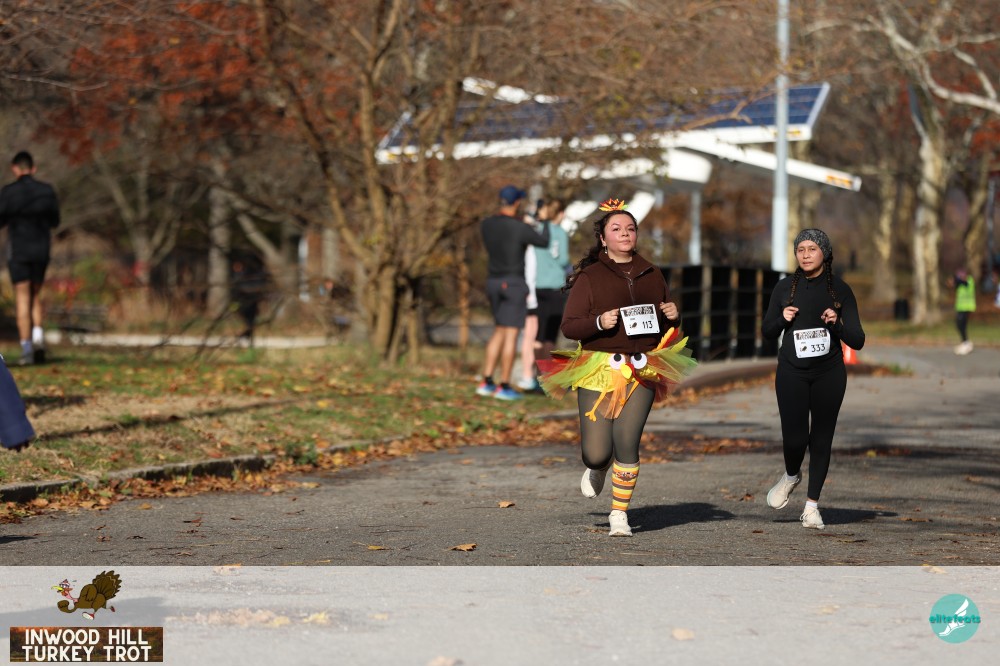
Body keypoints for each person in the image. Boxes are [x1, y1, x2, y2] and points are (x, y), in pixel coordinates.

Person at [537, 198, 696, 537]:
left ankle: (619, 513)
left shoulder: (652, 273)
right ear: (603, 238)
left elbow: (664, 327)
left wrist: (673, 316)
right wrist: (599, 322)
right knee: (596, 454)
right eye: (616, 228)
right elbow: (569, 326)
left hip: (642, 367)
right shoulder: (590, 276)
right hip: (598, 367)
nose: (625, 233)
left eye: (630, 228)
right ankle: (597, 467)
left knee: (627, 441)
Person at [761, 228, 865, 530]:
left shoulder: (840, 291)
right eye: (800, 249)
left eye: (812, 249)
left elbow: (858, 340)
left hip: (828, 372)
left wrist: (837, 324)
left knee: (821, 438)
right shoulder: (784, 289)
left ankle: (811, 507)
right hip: (791, 371)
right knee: (794, 438)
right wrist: (782, 319)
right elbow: (766, 331)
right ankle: (791, 475)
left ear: (825, 253)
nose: (805, 255)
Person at [477, 185, 551, 401]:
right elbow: (543, 241)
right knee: (511, 334)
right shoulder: (519, 227)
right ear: (517, 202)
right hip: (514, 283)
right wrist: (544, 220)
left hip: (493, 281)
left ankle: (486, 381)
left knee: (499, 330)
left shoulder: (487, 224)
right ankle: (504, 385)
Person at [0, 151, 61, 365]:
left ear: (15, 169)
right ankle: (38, 339)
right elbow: (55, 221)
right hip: (41, 251)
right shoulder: (47, 191)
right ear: (33, 168)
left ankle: (27, 350)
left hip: (19, 251)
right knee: (36, 295)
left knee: (22, 297)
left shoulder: (9, 192)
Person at [518, 199, 570, 393]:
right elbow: (563, 259)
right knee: (550, 335)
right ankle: (547, 378)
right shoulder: (561, 233)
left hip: (536, 286)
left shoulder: (536, 230)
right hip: (555, 286)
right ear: (560, 214)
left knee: (537, 334)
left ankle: (533, 375)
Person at [951, 267, 975, 355]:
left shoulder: (969, 281)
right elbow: (955, 284)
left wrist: (957, 279)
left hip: (967, 307)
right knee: (959, 325)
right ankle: (965, 342)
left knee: (961, 325)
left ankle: (966, 343)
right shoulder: (960, 283)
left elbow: (964, 283)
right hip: (960, 307)